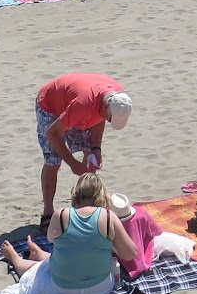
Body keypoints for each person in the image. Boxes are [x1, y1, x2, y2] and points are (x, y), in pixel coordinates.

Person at [0, 172, 140, 294]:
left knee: (37, 271)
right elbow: (131, 254)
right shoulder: (109, 217)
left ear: (76, 194)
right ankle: (39, 254)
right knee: (82, 254)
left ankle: (16, 259)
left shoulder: (61, 215)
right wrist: (110, 242)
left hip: (62, 292)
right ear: (102, 196)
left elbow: (51, 238)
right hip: (100, 290)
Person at [33, 73, 133, 225]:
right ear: (107, 106)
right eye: (110, 118)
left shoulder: (116, 95)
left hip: (76, 105)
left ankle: (88, 206)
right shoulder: (82, 106)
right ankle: (48, 211)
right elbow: (52, 134)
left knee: (90, 159)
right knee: (53, 161)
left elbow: (100, 117)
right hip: (49, 104)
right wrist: (73, 163)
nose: (109, 120)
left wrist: (96, 149)